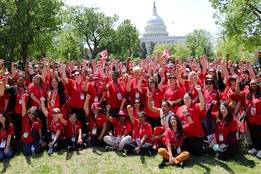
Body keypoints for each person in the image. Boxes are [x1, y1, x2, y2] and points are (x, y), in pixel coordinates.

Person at [176, 85, 206, 156]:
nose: (186, 100)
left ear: (192, 99)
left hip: (196, 135)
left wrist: (199, 91)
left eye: (188, 98)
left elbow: (202, 104)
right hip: (186, 136)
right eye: (184, 98)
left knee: (197, 154)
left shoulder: (196, 106)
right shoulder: (180, 109)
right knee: (185, 150)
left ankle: (205, 146)